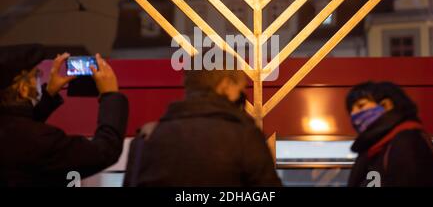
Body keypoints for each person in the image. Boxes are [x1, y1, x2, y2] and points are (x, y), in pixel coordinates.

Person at [123, 59, 281, 186]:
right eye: (240, 86)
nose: (243, 93)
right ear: (225, 85)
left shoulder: (146, 139)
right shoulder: (245, 137)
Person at [0, 44, 129, 186]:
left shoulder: (15, 134)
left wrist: (48, 96)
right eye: (36, 75)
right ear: (23, 89)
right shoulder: (44, 140)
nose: (38, 80)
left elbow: (17, 129)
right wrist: (110, 94)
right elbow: (104, 151)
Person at [346, 81, 433, 187]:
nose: (354, 114)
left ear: (386, 105)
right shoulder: (374, 147)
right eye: (351, 110)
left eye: (360, 106)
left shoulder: (407, 142)